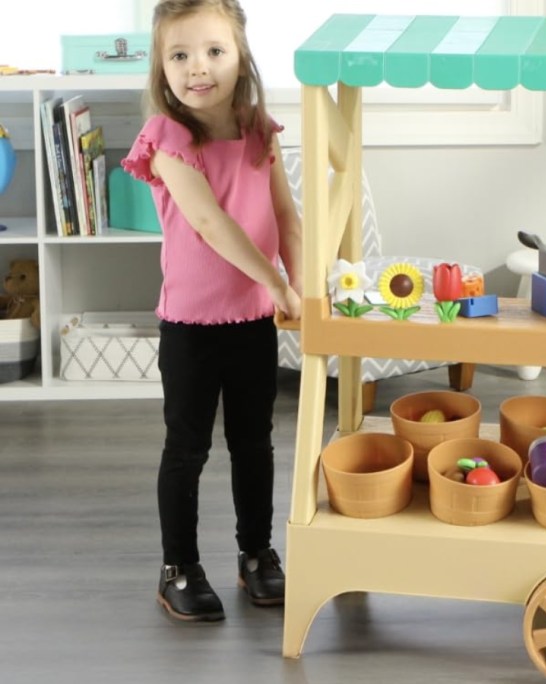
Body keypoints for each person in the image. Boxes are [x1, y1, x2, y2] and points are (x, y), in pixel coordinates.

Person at [123, 0, 302, 622]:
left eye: (214, 51)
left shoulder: (258, 128)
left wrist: (299, 287)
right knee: (187, 448)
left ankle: (257, 553)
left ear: (240, 56)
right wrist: (278, 283)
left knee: (254, 443)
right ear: (162, 68)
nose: (198, 68)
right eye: (180, 55)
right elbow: (210, 222)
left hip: (253, 319)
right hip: (191, 326)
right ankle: (179, 567)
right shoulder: (167, 139)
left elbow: (287, 216)